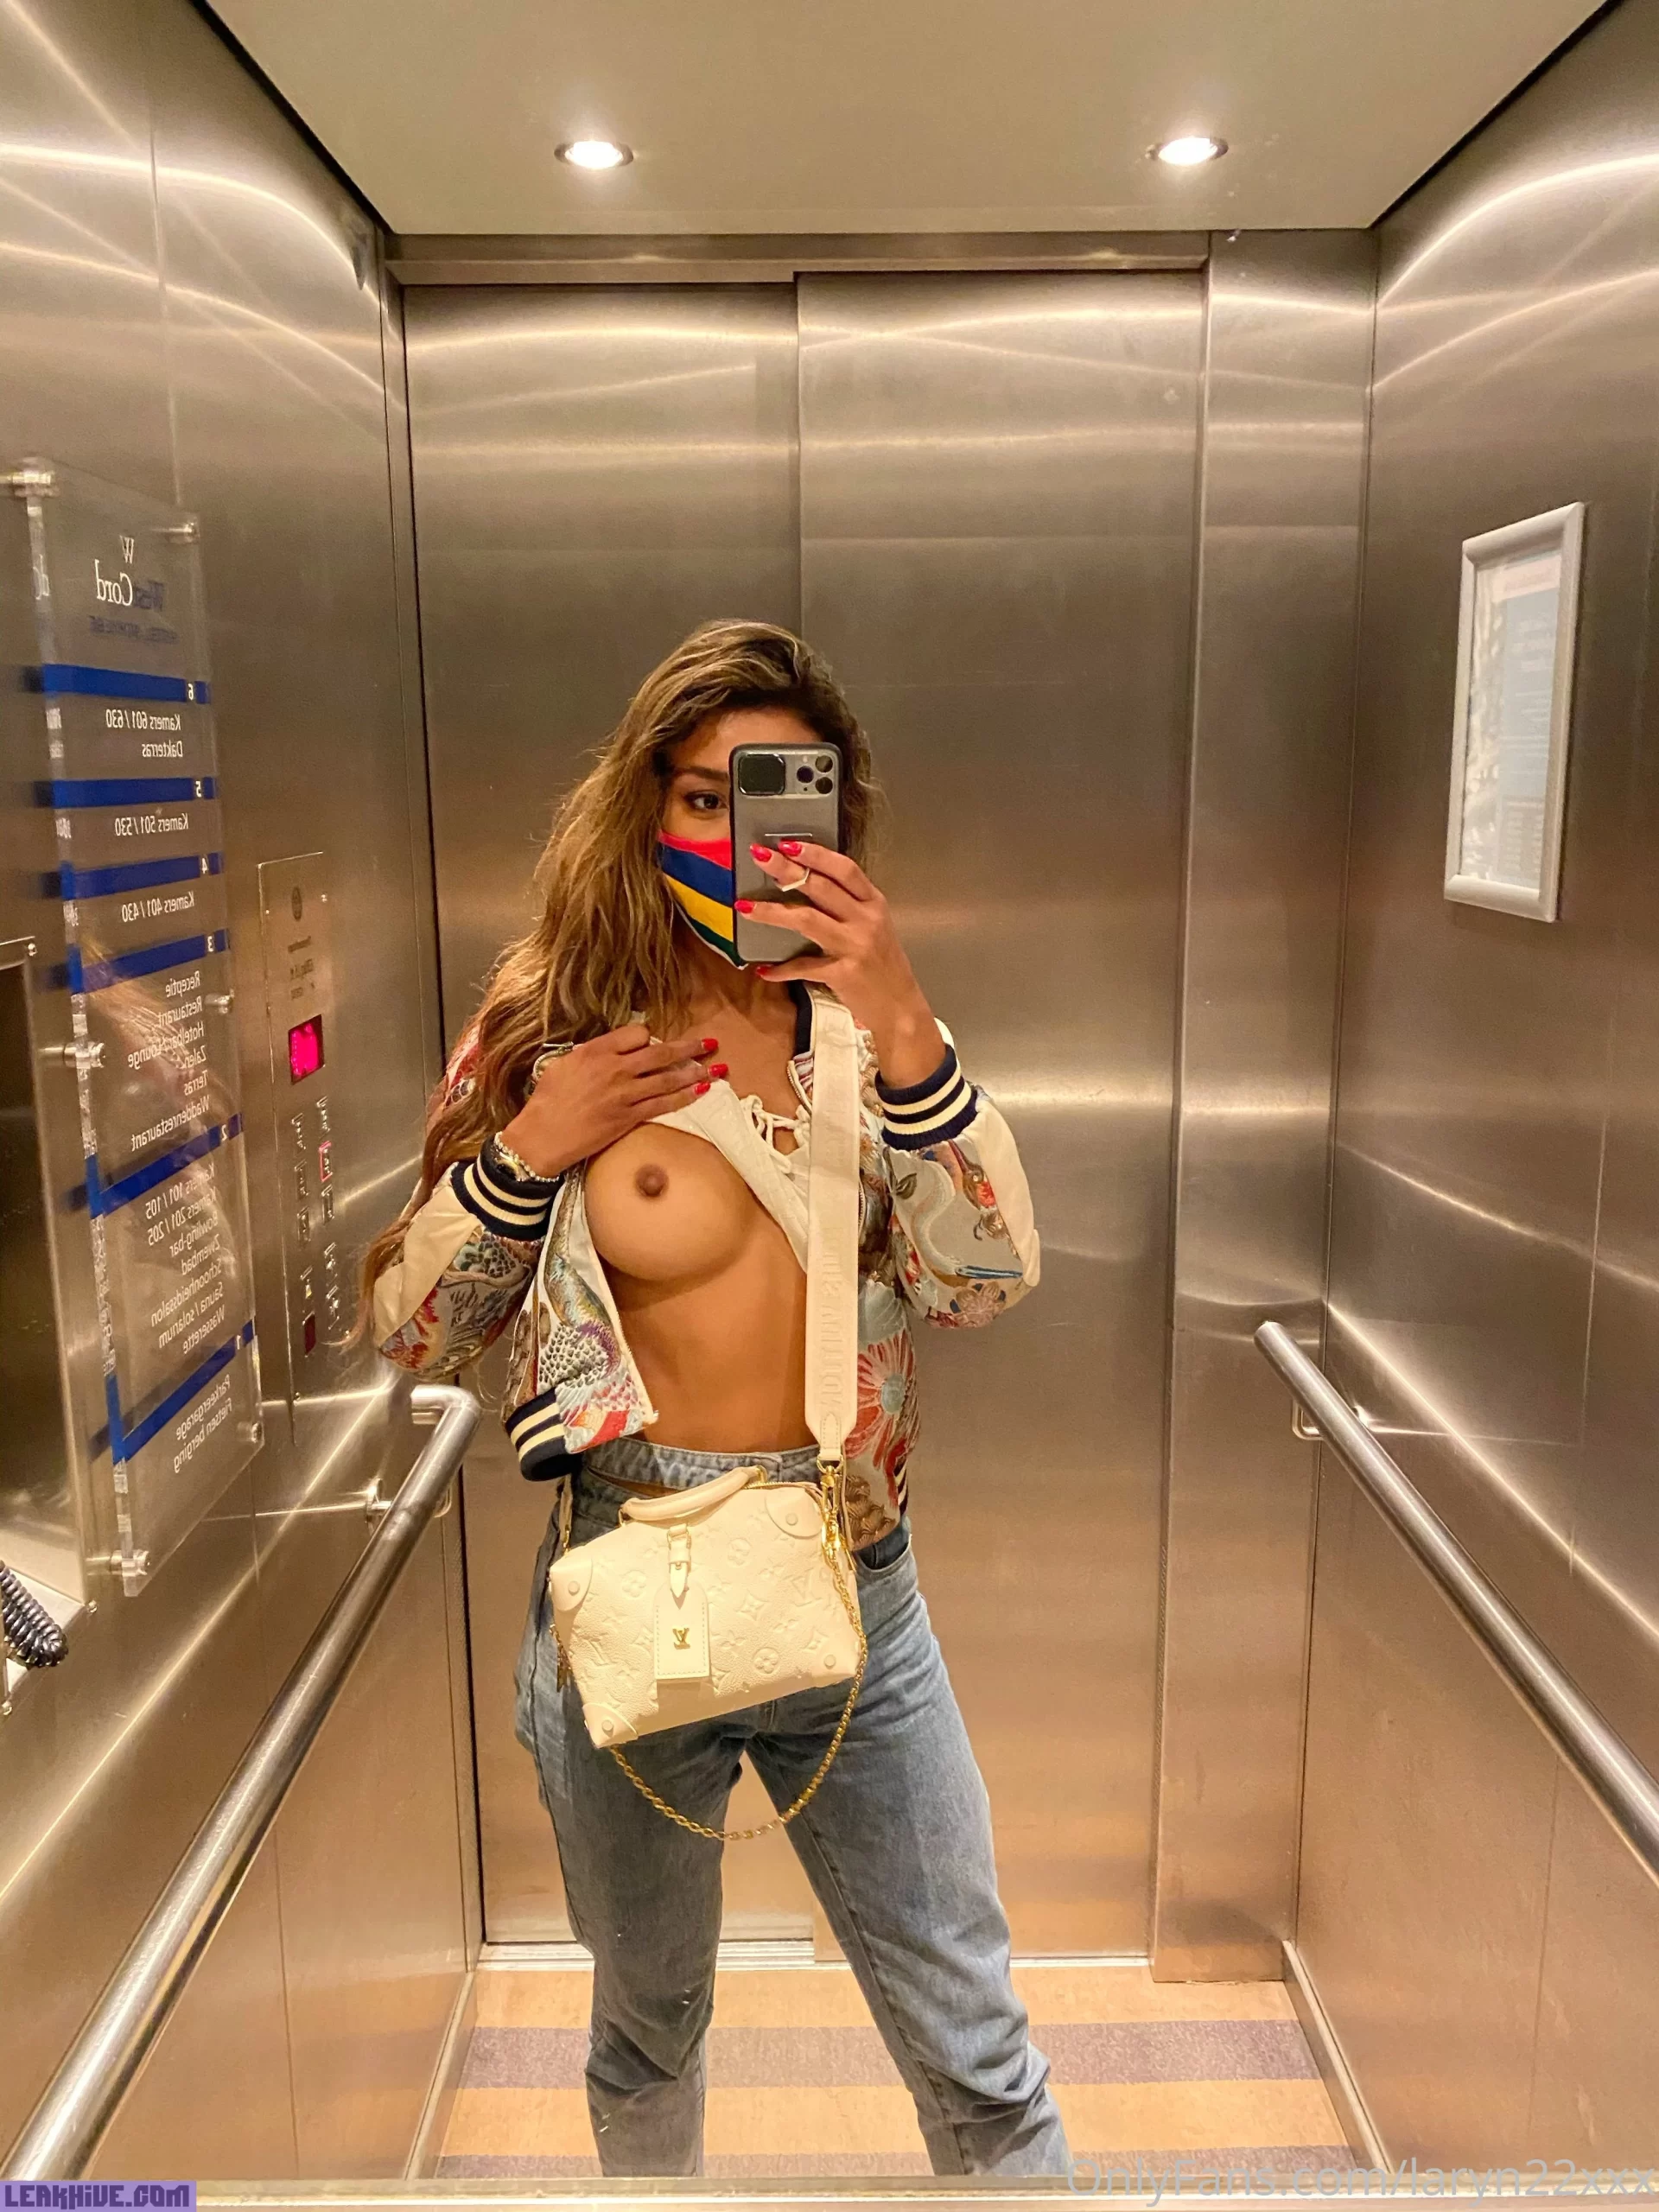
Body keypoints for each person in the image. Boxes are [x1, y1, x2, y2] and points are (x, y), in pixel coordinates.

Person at [364, 620, 1065, 2178]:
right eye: (700, 795)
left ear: (836, 819)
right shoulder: (547, 1038)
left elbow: (985, 1283)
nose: (740, 834)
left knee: (981, 2053)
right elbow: (409, 1332)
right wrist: (530, 1153)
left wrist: (906, 1023)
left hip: (857, 1587)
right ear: (644, 806)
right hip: (632, 1585)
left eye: (781, 795)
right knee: (649, 2027)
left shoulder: (875, 1044)